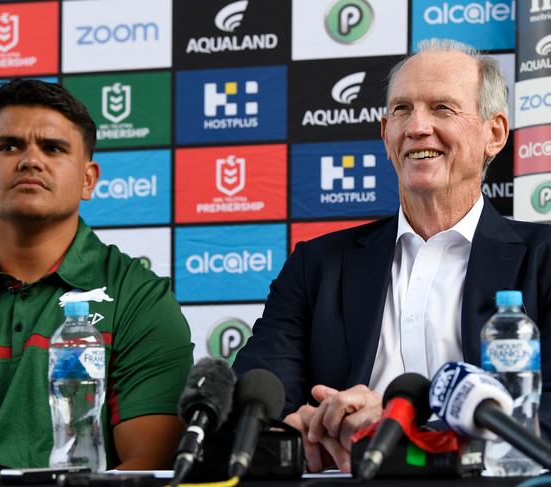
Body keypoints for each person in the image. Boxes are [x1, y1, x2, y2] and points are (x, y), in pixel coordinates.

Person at [233, 39, 551, 472]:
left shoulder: (544, 258)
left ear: (493, 133)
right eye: (402, 110)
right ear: (385, 136)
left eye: (442, 108)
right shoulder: (316, 265)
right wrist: (302, 429)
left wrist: (403, 432)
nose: (416, 127)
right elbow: (254, 403)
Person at [0, 79, 194, 470]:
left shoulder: (139, 301)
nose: (30, 161)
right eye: (8, 146)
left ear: (88, 179)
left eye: (53, 148)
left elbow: (147, 465)